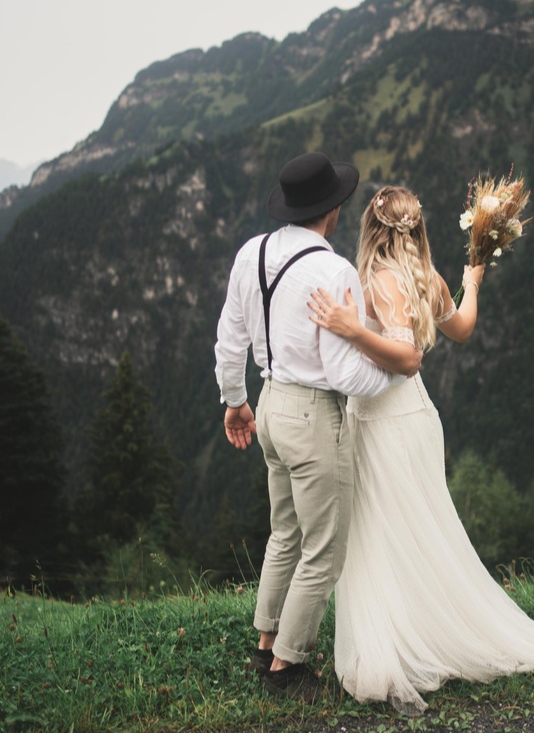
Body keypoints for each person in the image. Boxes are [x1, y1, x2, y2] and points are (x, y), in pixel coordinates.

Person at [308, 186, 534, 715]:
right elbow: (463, 329)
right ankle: (424, 631)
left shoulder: (376, 280)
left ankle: (398, 648)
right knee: (421, 530)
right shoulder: (428, 278)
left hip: (381, 423)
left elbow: (405, 357)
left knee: (380, 534)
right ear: (417, 228)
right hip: (417, 420)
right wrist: (472, 282)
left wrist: (352, 329)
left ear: (372, 230)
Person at [214, 154, 420, 704]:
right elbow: (346, 374)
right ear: (333, 209)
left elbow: (230, 339)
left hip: (268, 405)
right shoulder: (333, 271)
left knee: (285, 533)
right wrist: (396, 370)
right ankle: (288, 667)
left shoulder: (251, 253)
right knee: (324, 549)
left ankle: (266, 644)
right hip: (311, 415)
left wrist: (235, 402)